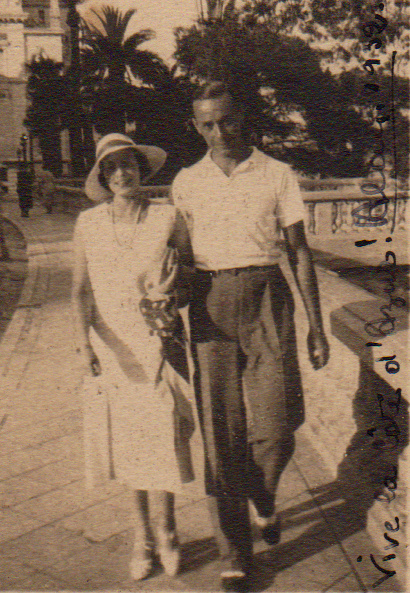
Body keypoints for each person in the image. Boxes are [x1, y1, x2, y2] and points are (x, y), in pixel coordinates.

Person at [172, 82, 330, 590]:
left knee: (280, 423)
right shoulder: (186, 182)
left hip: (267, 296)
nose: (219, 132)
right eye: (207, 124)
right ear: (197, 126)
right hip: (209, 302)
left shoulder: (277, 174)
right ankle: (234, 552)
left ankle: (263, 496)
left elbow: (299, 253)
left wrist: (316, 326)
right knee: (221, 433)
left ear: (243, 118)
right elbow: (176, 259)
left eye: (227, 120)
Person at [72, 133, 195, 582]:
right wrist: (84, 346)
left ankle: (168, 532)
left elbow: (189, 277)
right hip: (111, 345)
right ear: (103, 177)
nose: (122, 173)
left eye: (129, 164)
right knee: (126, 442)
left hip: (158, 340)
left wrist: (172, 294)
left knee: (162, 436)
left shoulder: (167, 218)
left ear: (142, 170)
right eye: (112, 167)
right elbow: (80, 290)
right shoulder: (88, 223)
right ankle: (141, 536)